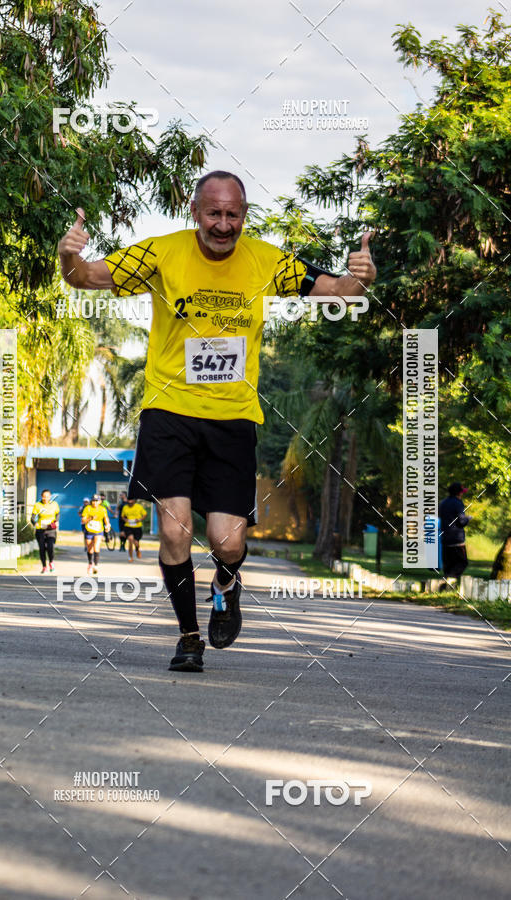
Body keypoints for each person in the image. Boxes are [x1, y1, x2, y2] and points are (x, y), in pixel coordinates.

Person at [58, 170, 376, 671]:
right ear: (195, 211)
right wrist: (69, 253)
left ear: (243, 215)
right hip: (169, 411)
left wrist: (361, 275)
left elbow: (338, 290)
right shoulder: (161, 253)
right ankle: (188, 636)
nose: (223, 225)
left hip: (232, 418)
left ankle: (227, 582)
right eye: (214, 213)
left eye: (233, 214)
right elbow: (84, 277)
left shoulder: (267, 260)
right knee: (175, 533)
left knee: (229, 541)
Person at [438, 482, 471, 579]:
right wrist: (468, 519)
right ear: (459, 493)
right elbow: (461, 521)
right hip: (457, 538)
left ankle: (446, 583)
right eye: (462, 492)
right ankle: (451, 579)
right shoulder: (458, 503)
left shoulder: (443, 503)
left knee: (448, 564)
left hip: (445, 537)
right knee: (462, 562)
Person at [31, 489, 60, 573]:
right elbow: (32, 518)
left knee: (50, 547)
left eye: (47, 496)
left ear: (50, 497)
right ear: (41, 497)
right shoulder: (37, 505)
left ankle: (51, 562)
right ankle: (44, 566)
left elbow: (57, 514)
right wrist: (35, 523)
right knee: (42, 548)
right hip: (41, 529)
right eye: (44, 496)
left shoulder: (54, 504)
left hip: (51, 529)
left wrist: (57, 521)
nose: (45, 498)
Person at [81, 494, 110, 575]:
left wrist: (107, 525)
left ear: (100, 501)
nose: (95, 502)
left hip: (98, 530)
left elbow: (106, 518)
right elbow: (83, 520)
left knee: (96, 547)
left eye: (97, 501)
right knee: (90, 548)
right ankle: (90, 563)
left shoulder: (103, 509)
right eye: (93, 501)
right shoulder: (87, 508)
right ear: (91, 501)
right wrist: (90, 518)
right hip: (89, 530)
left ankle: (96, 565)